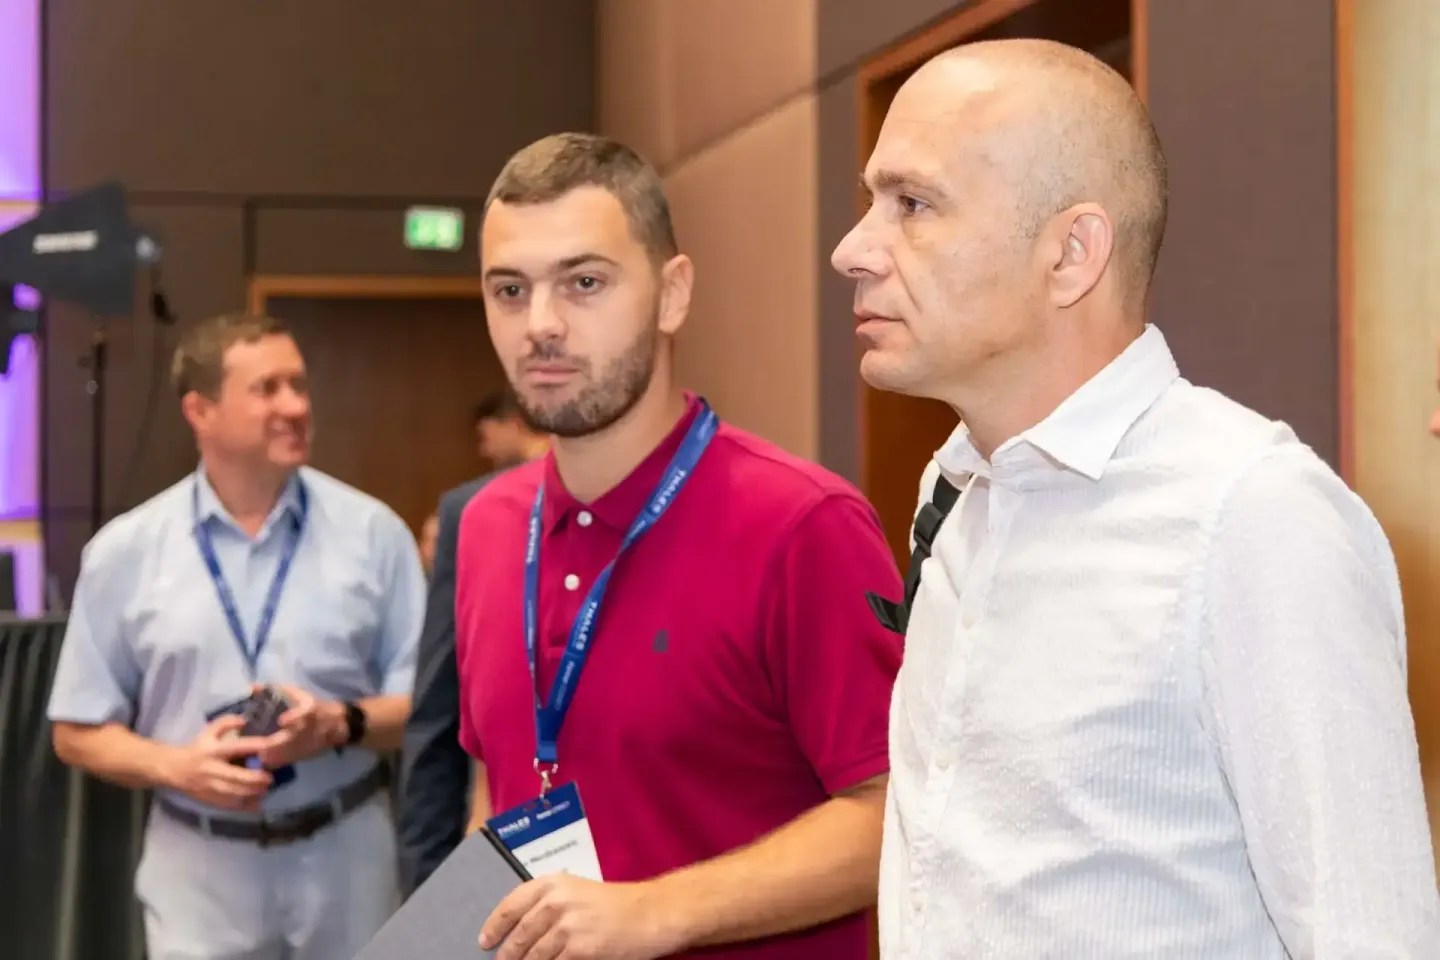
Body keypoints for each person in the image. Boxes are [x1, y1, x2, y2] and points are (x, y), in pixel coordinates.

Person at [831, 37, 1440, 958]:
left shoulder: (1254, 518)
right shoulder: (953, 493)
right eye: (871, 201)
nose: (851, 250)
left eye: (913, 205)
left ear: (1072, 253)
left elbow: (1370, 938)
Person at [457, 132, 904, 960]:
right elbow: (504, 783)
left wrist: (652, 913)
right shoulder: (485, 527)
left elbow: (896, 813)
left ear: (672, 294)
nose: (541, 324)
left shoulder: (803, 526)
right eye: (509, 290)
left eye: (584, 282)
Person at [47, 313, 426, 960]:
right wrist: (177, 767)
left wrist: (337, 723)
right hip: (198, 868)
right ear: (201, 410)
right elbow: (76, 731)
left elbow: (427, 708)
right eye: (268, 388)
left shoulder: (375, 535)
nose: (296, 406)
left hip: (346, 857)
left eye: (300, 386)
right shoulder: (125, 552)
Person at [398, 389, 548, 894]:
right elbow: (436, 722)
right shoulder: (474, 516)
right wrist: (428, 895)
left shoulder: (701, 505)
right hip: (512, 857)